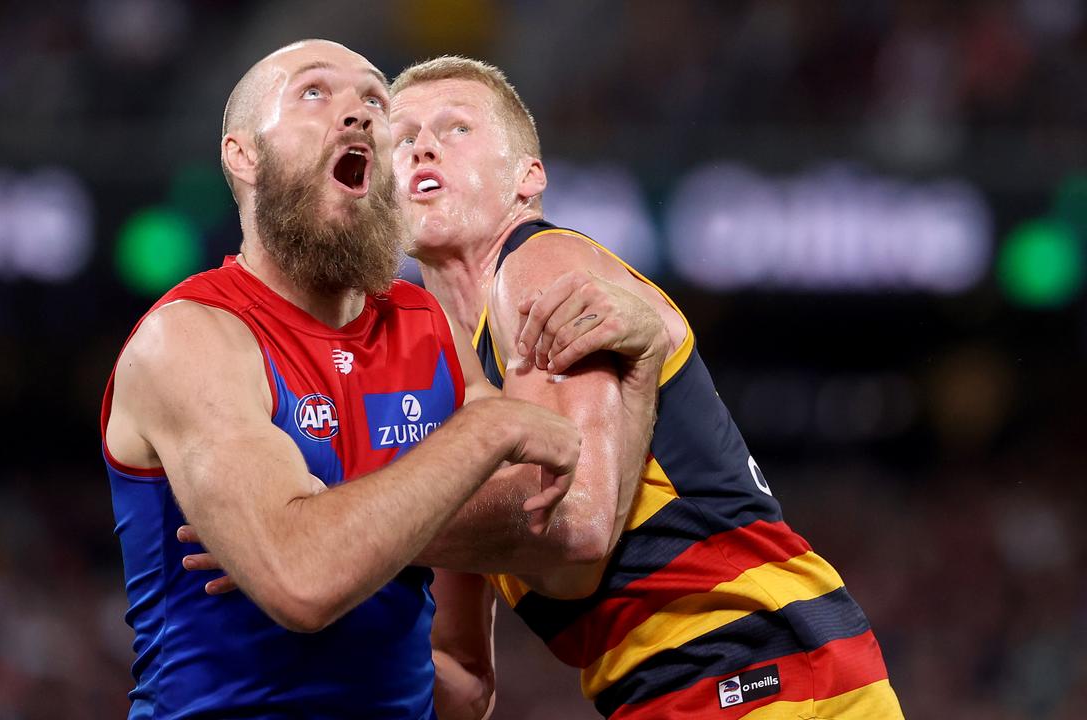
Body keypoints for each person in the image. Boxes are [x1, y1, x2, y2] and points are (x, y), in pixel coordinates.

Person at [101, 40, 662, 719]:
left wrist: (332, 524)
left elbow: (556, 528)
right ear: (243, 154)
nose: (362, 115)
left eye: (374, 99)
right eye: (315, 92)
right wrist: (480, 433)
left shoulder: (425, 327)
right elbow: (303, 580)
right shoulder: (193, 336)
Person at [381, 57, 907, 719]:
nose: (423, 145)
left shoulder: (540, 265)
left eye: (456, 128)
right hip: (686, 693)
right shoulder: (440, 411)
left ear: (528, 177)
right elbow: (462, 683)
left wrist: (335, 525)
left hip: (764, 669)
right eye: (401, 138)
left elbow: (576, 529)